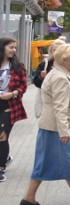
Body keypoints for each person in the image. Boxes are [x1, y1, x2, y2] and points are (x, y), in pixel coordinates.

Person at [19, 44, 70, 205]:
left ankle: (29, 197)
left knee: (43, 162)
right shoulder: (61, 78)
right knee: (69, 161)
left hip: (50, 126)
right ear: (64, 60)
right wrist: (64, 132)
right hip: (57, 128)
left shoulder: (57, 74)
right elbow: (59, 107)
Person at [0, 36, 28, 183]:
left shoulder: (18, 67)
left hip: (8, 106)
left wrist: (13, 94)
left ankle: (1, 167)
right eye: (11, 47)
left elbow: (23, 87)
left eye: (15, 47)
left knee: (2, 135)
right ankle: (5, 157)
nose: (14, 50)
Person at [32, 37, 66, 119]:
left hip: (62, 101)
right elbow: (36, 82)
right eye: (54, 50)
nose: (57, 52)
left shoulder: (69, 65)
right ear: (51, 51)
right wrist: (42, 78)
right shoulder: (45, 65)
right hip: (47, 102)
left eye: (60, 50)